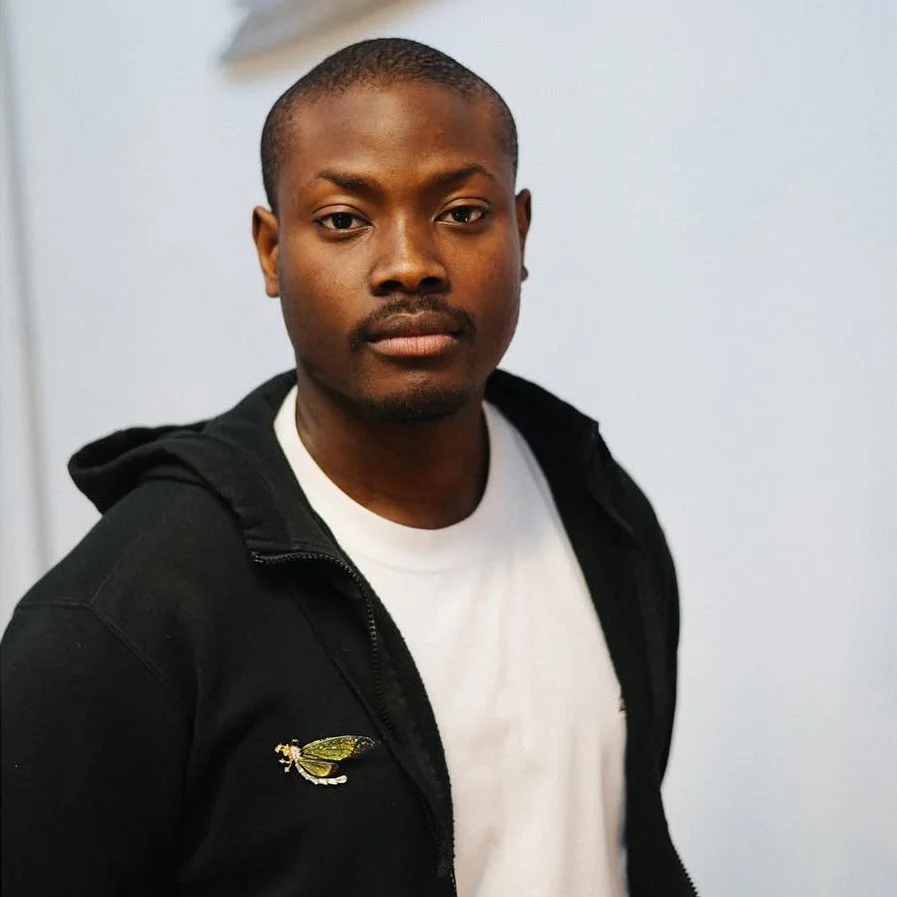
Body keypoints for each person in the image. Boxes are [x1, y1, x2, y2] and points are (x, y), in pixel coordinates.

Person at [1, 38, 695, 897]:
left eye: (461, 212)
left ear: (519, 230)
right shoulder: (125, 615)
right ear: (271, 250)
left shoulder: (598, 506)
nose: (409, 263)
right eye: (343, 220)